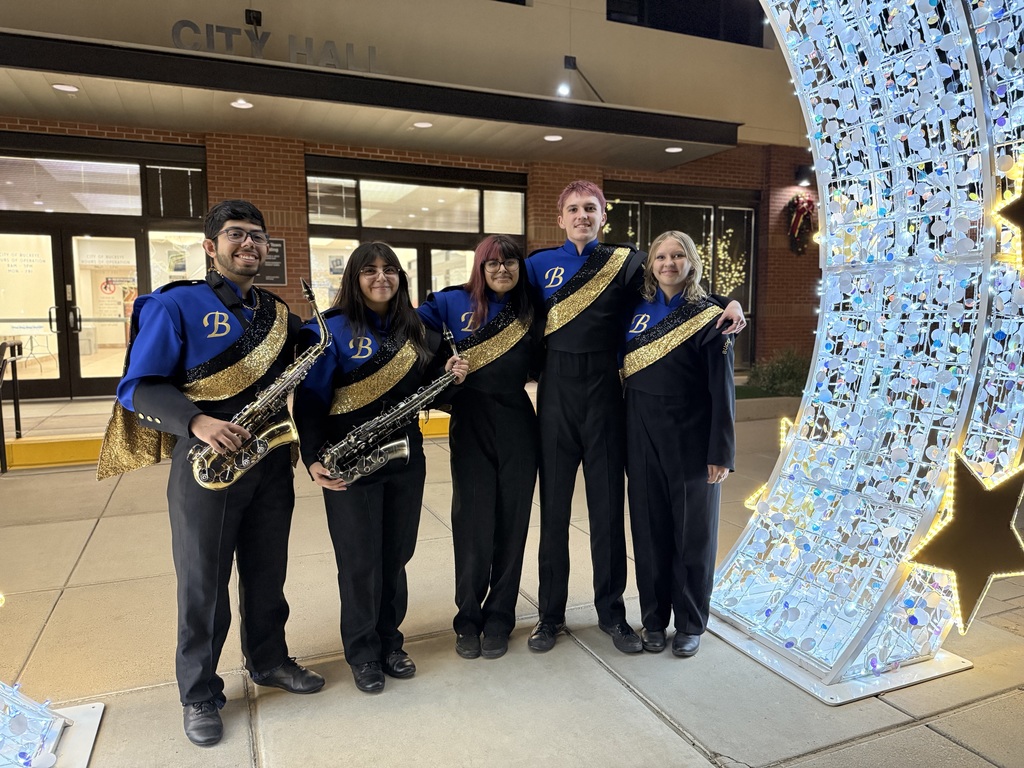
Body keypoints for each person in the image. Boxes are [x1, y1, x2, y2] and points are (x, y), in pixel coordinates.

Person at [97, 200, 324, 748]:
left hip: (270, 461)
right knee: (204, 586)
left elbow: (317, 355)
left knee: (268, 573)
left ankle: (268, 660)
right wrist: (196, 421)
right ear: (209, 246)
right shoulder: (176, 304)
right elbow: (139, 386)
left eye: (257, 237)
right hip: (206, 465)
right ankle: (199, 692)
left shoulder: (274, 311)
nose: (249, 245)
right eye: (235, 235)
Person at [522, 180, 745, 654]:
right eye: (573, 209)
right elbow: (504, 308)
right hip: (556, 395)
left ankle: (612, 614)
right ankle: (549, 616)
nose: (582, 216)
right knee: (555, 515)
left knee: (608, 516)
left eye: (591, 209)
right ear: (560, 217)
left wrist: (732, 302)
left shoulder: (623, 262)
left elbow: (679, 276)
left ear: (603, 217)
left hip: (605, 397)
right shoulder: (536, 265)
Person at [293, 242, 468, 694]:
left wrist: (449, 374)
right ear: (355, 278)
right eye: (369, 270)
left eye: (389, 269)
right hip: (347, 462)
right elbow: (311, 401)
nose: (381, 277)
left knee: (395, 556)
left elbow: (427, 391)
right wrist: (311, 456)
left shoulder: (417, 329)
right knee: (358, 562)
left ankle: (391, 641)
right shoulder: (329, 331)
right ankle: (363, 652)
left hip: (405, 459)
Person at [418, 234, 540, 661]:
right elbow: (407, 334)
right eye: (492, 263)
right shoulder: (450, 302)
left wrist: (720, 302)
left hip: (518, 422)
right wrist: (440, 367)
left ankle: (500, 618)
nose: (502, 270)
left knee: (512, 523)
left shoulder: (533, 305)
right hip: (469, 421)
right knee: (472, 525)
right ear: (479, 267)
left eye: (509, 262)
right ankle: (467, 619)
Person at [623, 230, 735, 658]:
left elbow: (722, 389)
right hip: (640, 432)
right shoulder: (633, 310)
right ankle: (653, 619)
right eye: (660, 257)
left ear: (692, 262)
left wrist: (720, 452)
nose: (668, 263)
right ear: (650, 264)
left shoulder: (711, 315)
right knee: (648, 531)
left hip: (692, 437)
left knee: (693, 536)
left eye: (677, 256)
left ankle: (690, 623)